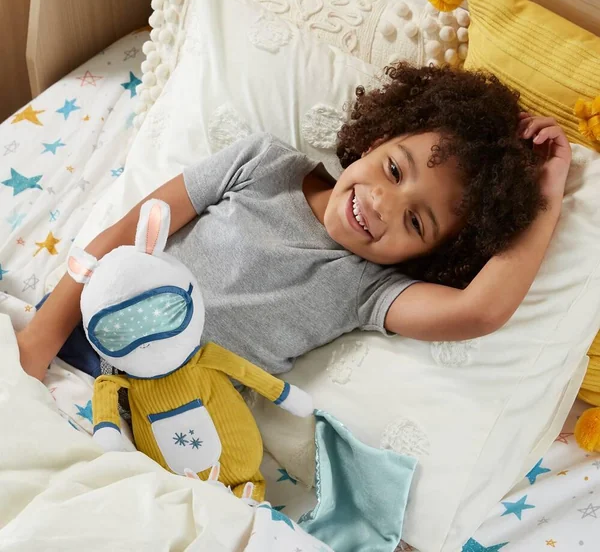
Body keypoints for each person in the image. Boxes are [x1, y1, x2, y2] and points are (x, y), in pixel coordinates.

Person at [18, 64, 571, 382]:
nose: (384, 205)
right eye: (394, 169)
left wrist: (548, 191)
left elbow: (480, 311)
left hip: (163, 419)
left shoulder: (371, 288)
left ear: (430, 254)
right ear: (378, 139)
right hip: (76, 336)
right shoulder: (264, 163)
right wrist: (40, 340)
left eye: (416, 222)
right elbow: (127, 233)